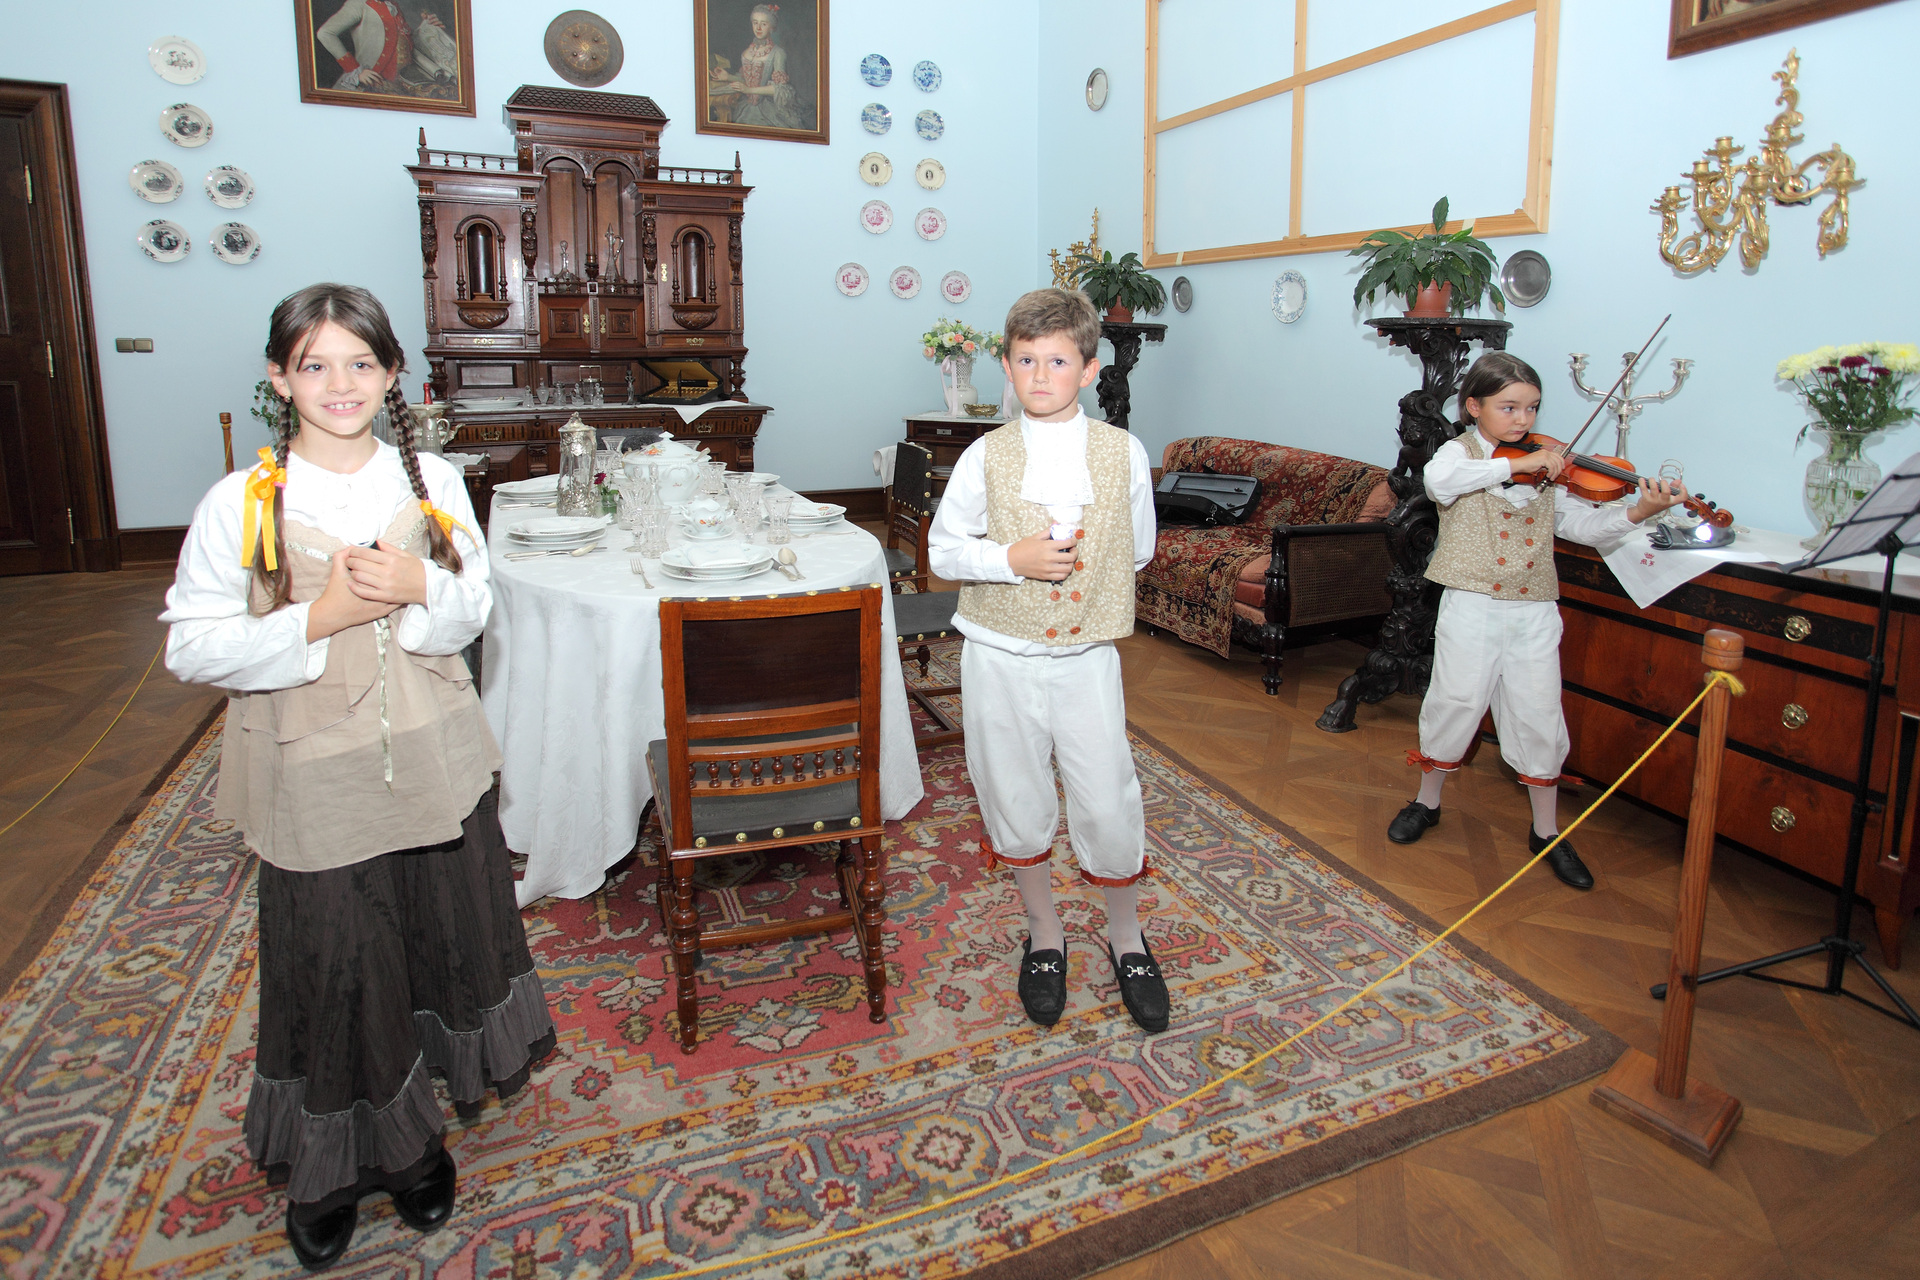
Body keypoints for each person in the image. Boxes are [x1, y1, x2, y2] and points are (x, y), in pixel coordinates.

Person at [161, 284, 554, 1271]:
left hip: (430, 756)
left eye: (360, 364)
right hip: (313, 767)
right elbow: (194, 646)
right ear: (279, 376)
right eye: (315, 364)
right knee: (338, 959)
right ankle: (333, 1166)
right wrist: (318, 621)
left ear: (390, 375)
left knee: (431, 936)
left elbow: (473, 607)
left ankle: (417, 1142)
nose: (340, 384)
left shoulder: (433, 484)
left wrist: (426, 590)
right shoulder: (245, 500)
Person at [927, 288, 1166, 1033]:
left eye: (1057, 361)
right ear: (1006, 364)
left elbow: (1142, 546)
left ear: (1089, 370)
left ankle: (1126, 935)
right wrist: (1011, 559)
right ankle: (1046, 933)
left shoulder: (1121, 452)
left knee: (1105, 796)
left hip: (1087, 657)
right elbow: (941, 550)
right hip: (999, 655)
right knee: (1014, 793)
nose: (1039, 375)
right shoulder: (984, 454)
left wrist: (1085, 583)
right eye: (1025, 360)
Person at [1387, 352, 1688, 888]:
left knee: (1539, 713)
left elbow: (1585, 528)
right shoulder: (1462, 456)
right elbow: (1440, 482)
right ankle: (1426, 802)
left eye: (1532, 408)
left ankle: (1546, 831)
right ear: (1473, 407)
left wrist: (1639, 511)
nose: (1524, 420)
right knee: (1455, 702)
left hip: (1533, 608)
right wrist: (1516, 465)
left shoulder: (1548, 465)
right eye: (1509, 408)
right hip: (1471, 604)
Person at [708, 4, 810, 130]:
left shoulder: (778, 53)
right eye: (755, 23)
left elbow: (780, 90)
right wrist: (727, 76)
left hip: (768, 110)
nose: (758, 28)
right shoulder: (746, 52)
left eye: (763, 24)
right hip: (745, 107)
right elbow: (746, 82)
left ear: (772, 27)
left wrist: (749, 90)